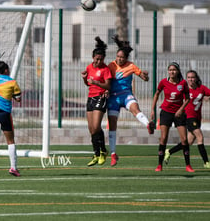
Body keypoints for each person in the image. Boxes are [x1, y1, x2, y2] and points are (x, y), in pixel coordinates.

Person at [107, 35, 155, 166]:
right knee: (112, 124)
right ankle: (113, 154)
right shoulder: (111, 65)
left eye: (122, 57)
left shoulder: (131, 66)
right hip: (113, 98)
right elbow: (107, 80)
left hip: (126, 94)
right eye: (118, 56)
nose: (119, 59)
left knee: (135, 108)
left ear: (126, 58)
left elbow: (144, 78)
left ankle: (148, 125)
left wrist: (145, 76)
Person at [150, 62, 194, 172]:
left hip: (179, 114)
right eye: (170, 70)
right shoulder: (163, 82)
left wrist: (181, 109)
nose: (172, 72)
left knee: (184, 139)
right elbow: (157, 94)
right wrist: (152, 109)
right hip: (166, 112)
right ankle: (159, 165)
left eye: (174, 70)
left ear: (178, 71)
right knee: (163, 138)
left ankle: (188, 165)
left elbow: (187, 99)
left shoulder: (183, 83)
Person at [164, 70, 210, 168]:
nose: (190, 79)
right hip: (188, 117)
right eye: (188, 77)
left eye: (192, 77)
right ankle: (206, 162)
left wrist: (208, 98)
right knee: (200, 137)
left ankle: (169, 151)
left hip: (197, 118)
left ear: (196, 78)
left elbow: (208, 94)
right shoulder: (184, 89)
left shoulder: (202, 88)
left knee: (187, 142)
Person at [81, 37, 111, 167]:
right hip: (90, 98)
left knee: (97, 126)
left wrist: (97, 83)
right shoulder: (89, 67)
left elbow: (108, 86)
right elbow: (88, 84)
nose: (99, 61)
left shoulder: (105, 69)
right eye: (97, 59)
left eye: (101, 59)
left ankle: (103, 151)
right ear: (92, 57)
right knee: (92, 129)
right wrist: (84, 78)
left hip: (101, 97)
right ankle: (96, 154)